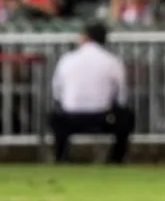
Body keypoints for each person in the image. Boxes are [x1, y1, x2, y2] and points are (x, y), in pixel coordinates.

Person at [49, 23, 134, 164]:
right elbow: (121, 95)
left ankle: (60, 156)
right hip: (102, 118)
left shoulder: (67, 59)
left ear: (85, 37)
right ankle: (116, 158)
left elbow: (57, 91)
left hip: (70, 117)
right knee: (127, 118)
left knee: (55, 117)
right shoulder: (112, 61)